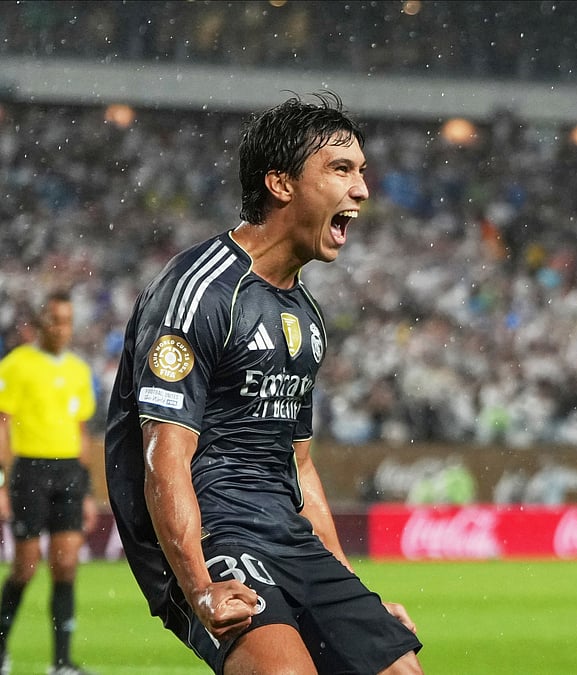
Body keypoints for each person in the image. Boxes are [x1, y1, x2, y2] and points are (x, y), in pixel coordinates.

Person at [104, 93, 423, 675]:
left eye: (361, 172)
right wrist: (198, 587)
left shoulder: (306, 315)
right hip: (214, 535)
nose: (362, 190)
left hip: (286, 534)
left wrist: (352, 590)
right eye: (341, 169)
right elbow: (164, 455)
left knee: (399, 670)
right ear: (280, 183)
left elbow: (299, 466)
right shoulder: (200, 290)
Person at [0, 291, 98, 675]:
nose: (61, 329)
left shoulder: (78, 370)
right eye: (55, 320)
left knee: (66, 566)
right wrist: (1, 483)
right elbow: (3, 425)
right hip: (29, 471)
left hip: (69, 473)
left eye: (67, 321)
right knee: (25, 567)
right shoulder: (16, 365)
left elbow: (81, 433)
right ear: (41, 322)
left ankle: (61, 663)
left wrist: (87, 490)